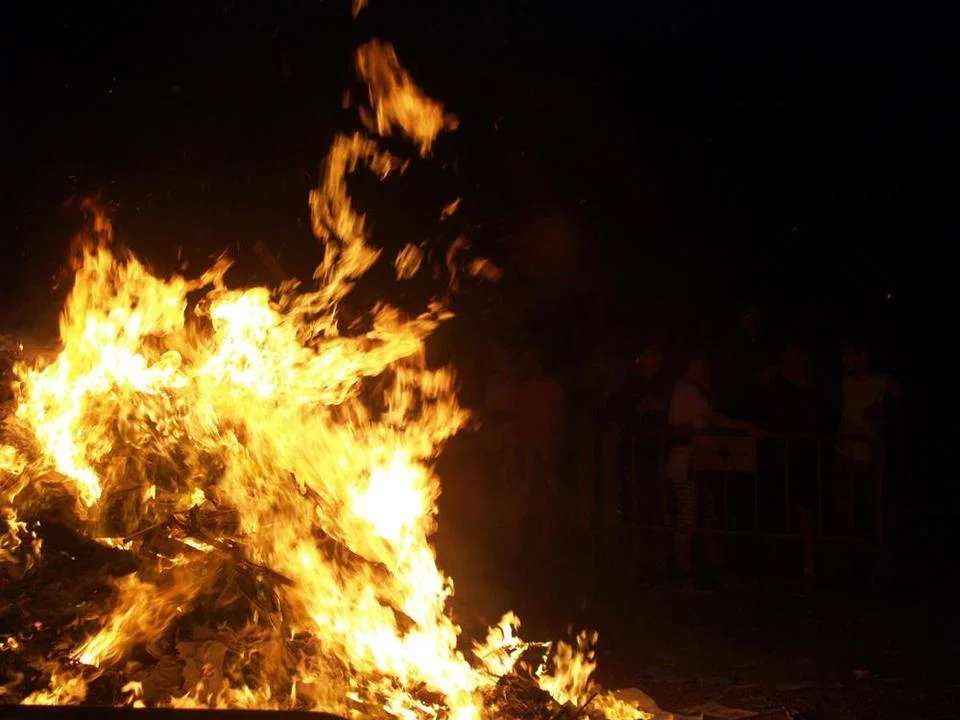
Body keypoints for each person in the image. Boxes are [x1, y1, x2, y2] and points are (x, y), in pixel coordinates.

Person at [667, 349, 765, 589]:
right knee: (689, 516)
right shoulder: (685, 390)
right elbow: (713, 418)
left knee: (704, 513)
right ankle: (686, 571)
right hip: (687, 462)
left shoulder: (691, 390)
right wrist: (747, 426)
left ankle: (715, 566)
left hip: (698, 461)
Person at [760, 339, 823, 583]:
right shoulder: (774, 380)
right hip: (777, 452)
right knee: (773, 506)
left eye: (794, 353)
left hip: (802, 453)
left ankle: (809, 565)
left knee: (804, 508)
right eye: (787, 352)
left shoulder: (813, 384)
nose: (789, 357)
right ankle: (773, 564)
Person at [833, 338, 899, 544]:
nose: (844, 360)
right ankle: (848, 543)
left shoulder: (882, 383)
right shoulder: (845, 382)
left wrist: (885, 406)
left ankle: (872, 545)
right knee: (846, 503)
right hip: (844, 452)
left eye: (849, 355)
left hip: (870, 454)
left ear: (863, 357)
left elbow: (899, 404)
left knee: (869, 503)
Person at [513, 347, 566, 566]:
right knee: (523, 498)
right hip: (526, 450)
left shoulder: (552, 389)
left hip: (545, 449)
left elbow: (559, 418)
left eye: (535, 362)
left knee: (545, 499)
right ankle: (520, 549)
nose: (532, 367)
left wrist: (552, 447)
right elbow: (518, 420)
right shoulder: (523, 390)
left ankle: (542, 551)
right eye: (528, 362)